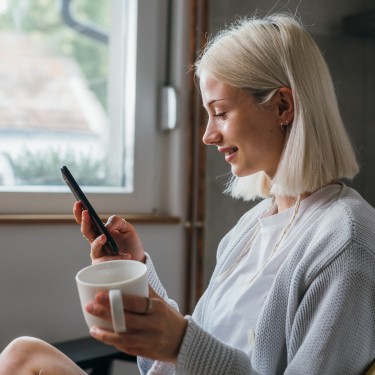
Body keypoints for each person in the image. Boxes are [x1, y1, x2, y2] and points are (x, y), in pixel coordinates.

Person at [1, 13, 375, 375]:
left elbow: (192, 351)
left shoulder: (346, 243)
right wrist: (137, 272)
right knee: (24, 354)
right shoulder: (251, 228)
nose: (208, 135)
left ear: (282, 106)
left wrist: (180, 342)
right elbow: (192, 356)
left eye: (221, 112)